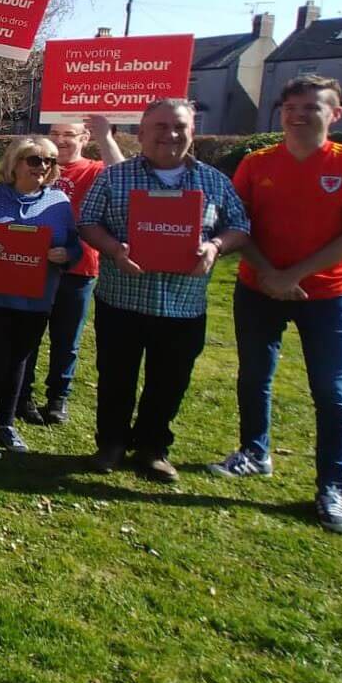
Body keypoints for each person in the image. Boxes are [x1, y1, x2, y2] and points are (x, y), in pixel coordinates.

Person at [212, 75, 342, 535]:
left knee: (332, 392)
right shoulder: (256, 162)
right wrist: (269, 273)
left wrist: (293, 276)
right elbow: (236, 223)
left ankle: (332, 486)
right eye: (290, 106)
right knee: (254, 376)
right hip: (258, 287)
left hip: (327, 295)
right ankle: (254, 451)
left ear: (336, 112)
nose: (298, 114)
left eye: (311, 106)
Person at [78, 99, 250, 482]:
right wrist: (112, 248)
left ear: (192, 132)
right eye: (160, 127)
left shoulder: (214, 181)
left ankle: (153, 447)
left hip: (183, 306)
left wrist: (216, 247)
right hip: (122, 299)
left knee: (169, 382)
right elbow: (88, 222)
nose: (170, 135)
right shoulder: (115, 177)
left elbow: (240, 226)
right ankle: (111, 444)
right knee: (115, 377)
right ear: (140, 134)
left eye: (179, 127)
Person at [0, 137, 81, 459]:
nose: (43, 167)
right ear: (15, 162)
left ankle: (6, 424)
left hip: (35, 299)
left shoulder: (58, 202)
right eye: (35, 160)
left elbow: (75, 247)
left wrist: (63, 253)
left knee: (18, 364)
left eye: (50, 161)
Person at [16, 116, 126, 425]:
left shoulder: (94, 170)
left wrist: (107, 138)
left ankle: (57, 398)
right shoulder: (39, 167)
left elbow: (122, 177)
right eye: (55, 133)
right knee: (28, 335)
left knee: (66, 339)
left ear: (84, 138)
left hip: (79, 268)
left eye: (69, 134)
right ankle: (22, 395)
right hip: (33, 266)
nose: (61, 140)